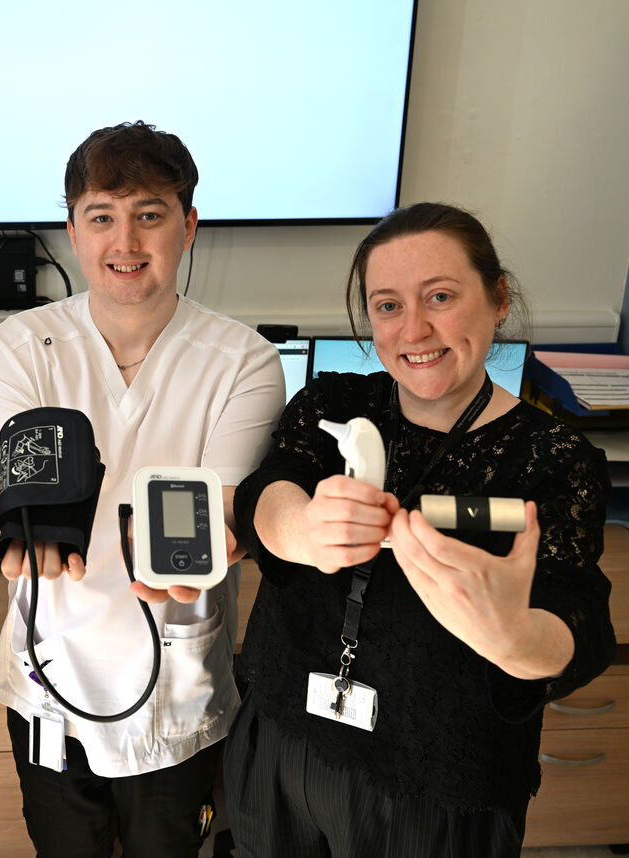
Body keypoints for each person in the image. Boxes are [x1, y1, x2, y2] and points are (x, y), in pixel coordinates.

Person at [224, 202, 616, 856]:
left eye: (440, 297)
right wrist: (302, 530)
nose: (414, 329)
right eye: (388, 306)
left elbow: (578, 618)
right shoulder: (335, 404)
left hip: (434, 781)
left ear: (498, 300)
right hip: (283, 737)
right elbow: (270, 488)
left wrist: (516, 638)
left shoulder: (552, 458)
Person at [0, 120, 286, 857]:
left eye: (150, 214)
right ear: (72, 231)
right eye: (101, 217)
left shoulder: (243, 360)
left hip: (176, 682)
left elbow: (221, 512)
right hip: (51, 683)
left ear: (189, 225)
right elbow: (23, 499)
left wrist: (230, 538)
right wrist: (18, 536)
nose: (126, 241)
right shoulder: (21, 347)